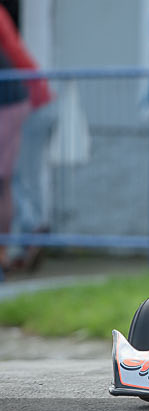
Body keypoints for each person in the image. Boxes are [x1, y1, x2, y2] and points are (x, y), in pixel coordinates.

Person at [0, 5, 51, 273]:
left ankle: (29, 233)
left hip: (22, 101)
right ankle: (25, 238)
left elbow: (14, 51)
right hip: (27, 99)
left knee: (11, 177)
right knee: (15, 177)